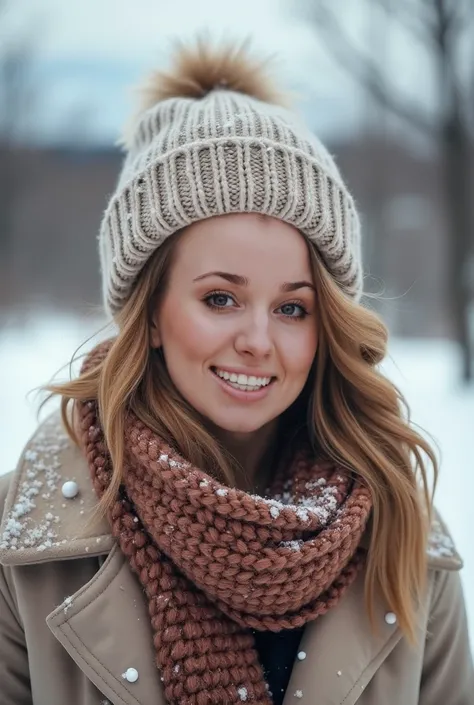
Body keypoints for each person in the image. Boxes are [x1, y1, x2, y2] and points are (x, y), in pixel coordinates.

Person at [0, 37, 472, 705]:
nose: (258, 340)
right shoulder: (25, 544)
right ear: (153, 312)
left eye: (292, 306)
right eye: (220, 297)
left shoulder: (404, 539)